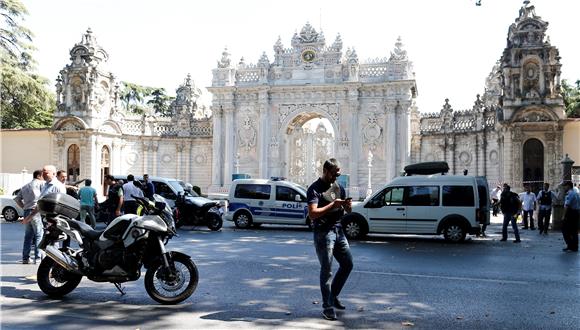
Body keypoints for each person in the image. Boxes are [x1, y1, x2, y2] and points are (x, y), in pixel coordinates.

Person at [307, 158, 353, 321]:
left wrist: (346, 207)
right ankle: (327, 306)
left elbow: (344, 210)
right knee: (327, 269)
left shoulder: (339, 187)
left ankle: (333, 296)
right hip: (323, 232)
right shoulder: (314, 189)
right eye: (334, 174)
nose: (336, 177)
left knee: (347, 264)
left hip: (338, 230)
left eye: (338, 174)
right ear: (325, 171)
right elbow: (312, 213)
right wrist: (332, 205)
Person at [14, 170, 44, 264]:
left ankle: (25, 258)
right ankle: (38, 258)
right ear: (39, 176)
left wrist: (24, 207)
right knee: (39, 234)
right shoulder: (41, 184)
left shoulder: (25, 186)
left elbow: (17, 199)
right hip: (36, 211)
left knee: (28, 236)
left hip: (27, 211)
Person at [561, 181, 580, 252]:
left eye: (565, 186)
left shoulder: (570, 194)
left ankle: (570, 245)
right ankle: (574, 247)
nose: (564, 188)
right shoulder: (576, 193)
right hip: (576, 212)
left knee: (564, 229)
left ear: (568, 186)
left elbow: (566, 206)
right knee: (574, 231)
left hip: (571, 213)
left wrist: (563, 216)